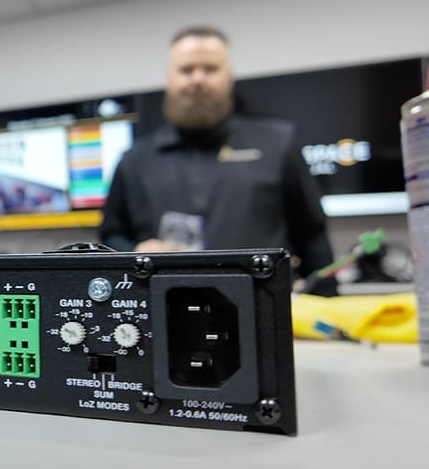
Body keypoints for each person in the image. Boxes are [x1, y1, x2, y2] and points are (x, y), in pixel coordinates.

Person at [99, 25, 336, 293]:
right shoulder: (135, 159)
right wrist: (135, 251)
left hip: (262, 309)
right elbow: (110, 236)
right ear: (169, 78)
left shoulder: (278, 143)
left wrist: (327, 304)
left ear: (229, 76)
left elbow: (312, 233)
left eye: (210, 69)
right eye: (186, 70)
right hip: (165, 310)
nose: (197, 79)